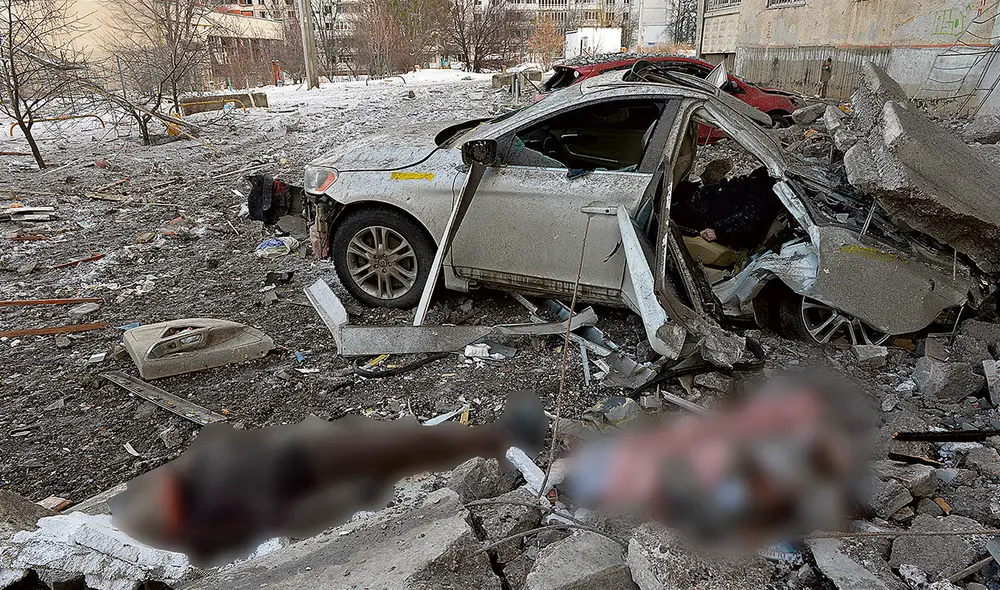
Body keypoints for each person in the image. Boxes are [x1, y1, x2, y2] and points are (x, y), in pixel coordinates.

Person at [671, 166, 782, 251]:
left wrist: (719, 232)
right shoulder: (767, 177)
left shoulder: (769, 193)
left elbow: (749, 218)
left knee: (674, 211)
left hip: (707, 213)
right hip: (706, 199)